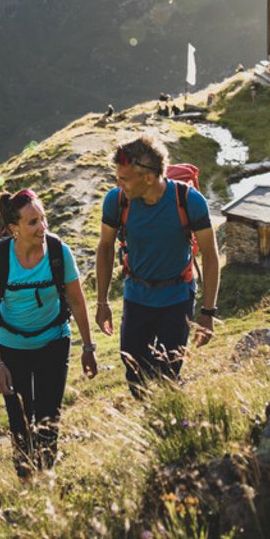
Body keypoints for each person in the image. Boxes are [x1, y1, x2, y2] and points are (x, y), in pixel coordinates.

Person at [0, 188, 97, 478]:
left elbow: (77, 300)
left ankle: (46, 479)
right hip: (12, 348)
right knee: (20, 422)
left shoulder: (59, 252)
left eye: (43, 218)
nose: (42, 227)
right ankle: (25, 480)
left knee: (48, 418)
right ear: (13, 229)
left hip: (53, 343)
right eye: (32, 222)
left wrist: (88, 347)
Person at [94, 135, 222, 395]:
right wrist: (102, 302)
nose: (119, 184)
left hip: (177, 298)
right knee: (134, 372)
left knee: (168, 372)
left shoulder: (189, 201)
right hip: (136, 297)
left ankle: (168, 423)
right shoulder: (116, 201)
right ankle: (146, 421)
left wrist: (208, 313)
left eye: (125, 179)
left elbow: (210, 255)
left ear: (149, 177)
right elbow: (105, 247)